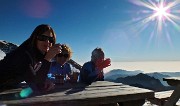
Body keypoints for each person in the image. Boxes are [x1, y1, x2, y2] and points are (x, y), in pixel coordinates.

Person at [0, 24, 61, 92]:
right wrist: (48, 59)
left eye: (51, 39)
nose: (47, 42)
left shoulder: (35, 54)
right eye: (42, 38)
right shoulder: (22, 55)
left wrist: (45, 80)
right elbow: (37, 86)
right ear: (35, 39)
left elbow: (35, 77)